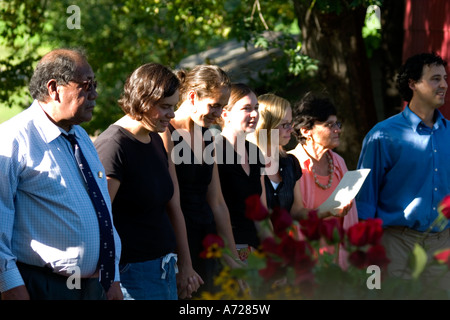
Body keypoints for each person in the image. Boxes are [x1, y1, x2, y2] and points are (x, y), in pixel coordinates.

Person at [0, 48, 122, 300]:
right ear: (54, 88)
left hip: (94, 287)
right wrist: (10, 286)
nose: (95, 94)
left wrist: (111, 279)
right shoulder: (12, 140)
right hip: (44, 287)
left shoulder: (80, 137)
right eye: (87, 85)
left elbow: (102, 211)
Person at [94, 63, 203, 300]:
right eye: (165, 107)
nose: (172, 115)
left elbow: (168, 204)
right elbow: (99, 221)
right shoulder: (113, 146)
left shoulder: (154, 136)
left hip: (162, 268)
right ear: (143, 101)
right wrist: (110, 278)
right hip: (131, 276)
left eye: (173, 106)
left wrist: (184, 264)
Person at [356, 52, 450, 291]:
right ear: (412, 84)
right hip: (397, 244)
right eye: (435, 79)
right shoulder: (382, 135)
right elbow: (364, 200)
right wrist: (368, 257)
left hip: (444, 243)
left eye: (445, 78)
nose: (444, 85)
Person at [160, 65, 240, 295]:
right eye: (214, 105)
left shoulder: (207, 135)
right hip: (179, 242)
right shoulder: (166, 132)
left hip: (209, 242)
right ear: (193, 97)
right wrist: (184, 263)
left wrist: (233, 257)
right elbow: (171, 202)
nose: (219, 114)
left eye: (223, 107)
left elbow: (217, 202)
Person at [289, 92, 357, 267]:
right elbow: (293, 218)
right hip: (308, 265)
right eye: (329, 125)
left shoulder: (339, 163)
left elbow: (351, 220)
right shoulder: (291, 164)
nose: (338, 130)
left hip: (342, 264)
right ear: (306, 131)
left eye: (337, 124)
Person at [217, 83, 268, 253]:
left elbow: (261, 211)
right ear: (225, 114)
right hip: (228, 251)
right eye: (246, 108)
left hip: (256, 250)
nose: (254, 114)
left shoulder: (254, 152)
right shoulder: (213, 152)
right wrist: (234, 255)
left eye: (256, 108)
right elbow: (215, 208)